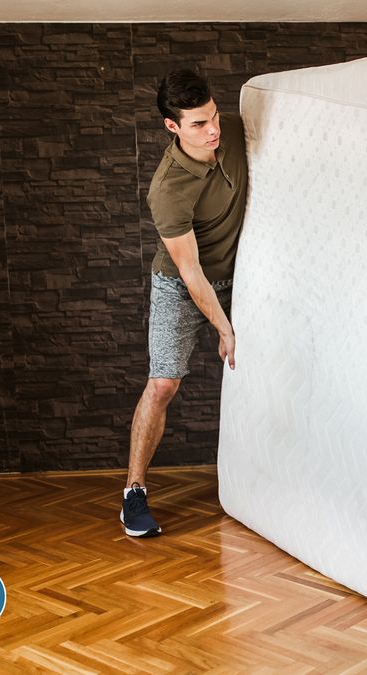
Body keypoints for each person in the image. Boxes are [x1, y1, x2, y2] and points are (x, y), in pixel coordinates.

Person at [120, 69, 249, 537]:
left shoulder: (232, 130)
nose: (212, 130)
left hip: (243, 274)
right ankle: (134, 493)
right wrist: (224, 327)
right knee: (163, 385)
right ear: (172, 127)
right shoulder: (168, 189)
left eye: (213, 116)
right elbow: (191, 272)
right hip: (181, 282)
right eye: (197, 124)